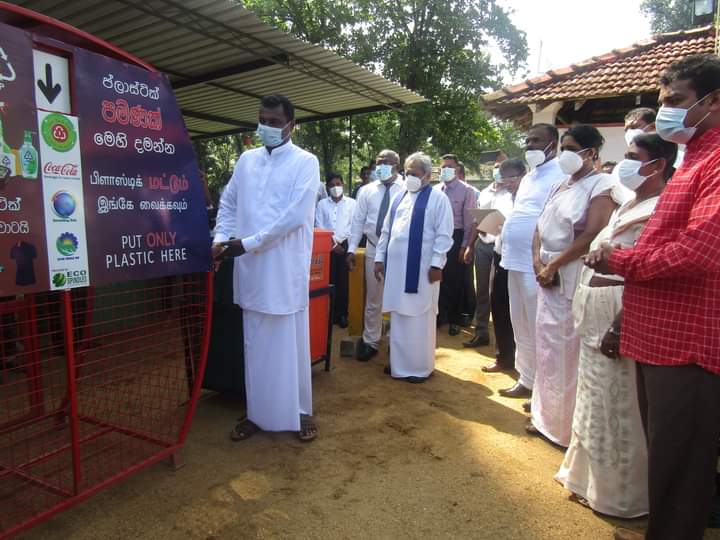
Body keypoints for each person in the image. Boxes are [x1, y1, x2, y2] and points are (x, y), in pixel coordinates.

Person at [585, 54, 720, 540]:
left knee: (681, 466)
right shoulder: (695, 159)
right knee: (666, 460)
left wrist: (618, 260)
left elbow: (699, 252)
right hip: (658, 333)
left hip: (688, 342)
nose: (669, 113)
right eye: (663, 103)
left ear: (714, 101)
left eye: (678, 101)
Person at [556, 133, 677, 519]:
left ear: (656, 165)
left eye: (631, 156)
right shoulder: (630, 203)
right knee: (592, 400)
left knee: (619, 406)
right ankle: (587, 482)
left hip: (621, 313)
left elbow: (649, 275)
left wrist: (621, 325)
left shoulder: (664, 209)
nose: (623, 163)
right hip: (593, 307)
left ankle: (622, 497)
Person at [212, 94, 320, 442]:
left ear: (291, 125)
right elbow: (228, 202)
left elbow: (294, 217)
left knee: (288, 344)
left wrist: (247, 243)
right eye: (263, 120)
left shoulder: (306, 162)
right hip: (251, 270)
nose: (267, 127)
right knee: (255, 343)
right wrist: (221, 236)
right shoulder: (246, 161)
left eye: (274, 121)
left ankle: (298, 413)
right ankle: (259, 413)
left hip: (283, 270)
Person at [527, 124, 619, 447]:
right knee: (548, 349)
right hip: (547, 275)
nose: (564, 153)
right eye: (562, 147)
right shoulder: (560, 184)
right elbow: (540, 226)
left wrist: (553, 264)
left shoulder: (602, 185)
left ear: (591, 153)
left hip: (571, 273)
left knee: (569, 352)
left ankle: (566, 430)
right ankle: (544, 418)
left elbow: (591, 233)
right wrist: (539, 262)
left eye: (571, 148)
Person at [373, 152, 453, 382]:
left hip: (422, 271)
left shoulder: (438, 199)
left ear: (427, 176)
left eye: (415, 174)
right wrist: (379, 258)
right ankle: (399, 364)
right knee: (399, 316)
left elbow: (444, 235)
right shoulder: (399, 196)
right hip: (397, 271)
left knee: (419, 317)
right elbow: (387, 231)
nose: (410, 178)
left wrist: (437, 263)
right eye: (407, 173)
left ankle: (419, 367)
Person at [498, 124, 564, 401]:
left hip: (536, 263)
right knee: (520, 323)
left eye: (536, 141)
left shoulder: (561, 173)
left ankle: (544, 389)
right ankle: (526, 378)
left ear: (553, 144)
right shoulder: (528, 177)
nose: (529, 145)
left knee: (539, 326)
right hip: (513, 259)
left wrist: (541, 260)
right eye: (527, 140)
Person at [347, 150, 405, 361]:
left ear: (397, 166)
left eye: (386, 162)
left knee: (398, 298)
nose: (381, 166)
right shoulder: (366, 190)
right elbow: (357, 221)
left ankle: (394, 341)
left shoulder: (407, 188)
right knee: (373, 298)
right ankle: (371, 340)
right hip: (372, 248)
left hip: (398, 252)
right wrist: (352, 249)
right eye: (379, 162)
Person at [482, 158, 526, 372]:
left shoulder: (531, 197)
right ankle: (504, 357)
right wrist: (487, 226)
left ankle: (524, 363)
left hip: (523, 260)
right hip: (500, 255)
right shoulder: (501, 197)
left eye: (511, 177)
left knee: (521, 310)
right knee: (498, 305)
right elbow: (495, 227)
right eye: (503, 177)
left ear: (522, 175)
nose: (506, 182)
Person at [463, 156, 510, 348]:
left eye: (501, 168)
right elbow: (477, 222)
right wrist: (470, 245)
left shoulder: (513, 194)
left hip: (502, 247)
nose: (497, 170)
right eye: (495, 167)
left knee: (498, 293)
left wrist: (490, 224)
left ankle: (504, 341)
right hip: (483, 245)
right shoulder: (484, 192)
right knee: (482, 290)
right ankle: (481, 332)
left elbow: (508, 222)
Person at [437, 153, 477, 336]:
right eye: (443, 167)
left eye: (449, 167)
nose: (445, 170)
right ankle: (440, 315)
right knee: (438, 276)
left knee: (455, 280)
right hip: (438, 237)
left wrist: (465, 245)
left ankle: (454, 319)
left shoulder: (466, 190)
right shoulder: (436, 190)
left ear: (458, 169)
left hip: (456, 236)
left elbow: (470, 221)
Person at [315, 172, 356, 328]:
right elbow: (319, 225)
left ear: (343, 185)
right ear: (327, 187)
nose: (335, 187)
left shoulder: (352, 203)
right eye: (332, 185)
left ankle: (343, 314)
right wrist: (332, 244)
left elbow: (353, 226)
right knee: (329, 281)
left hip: (345, 245)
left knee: (343, 282)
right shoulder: (322, 204)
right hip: (327, 246)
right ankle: (331, 315)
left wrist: (342, 244)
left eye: (338, 184)